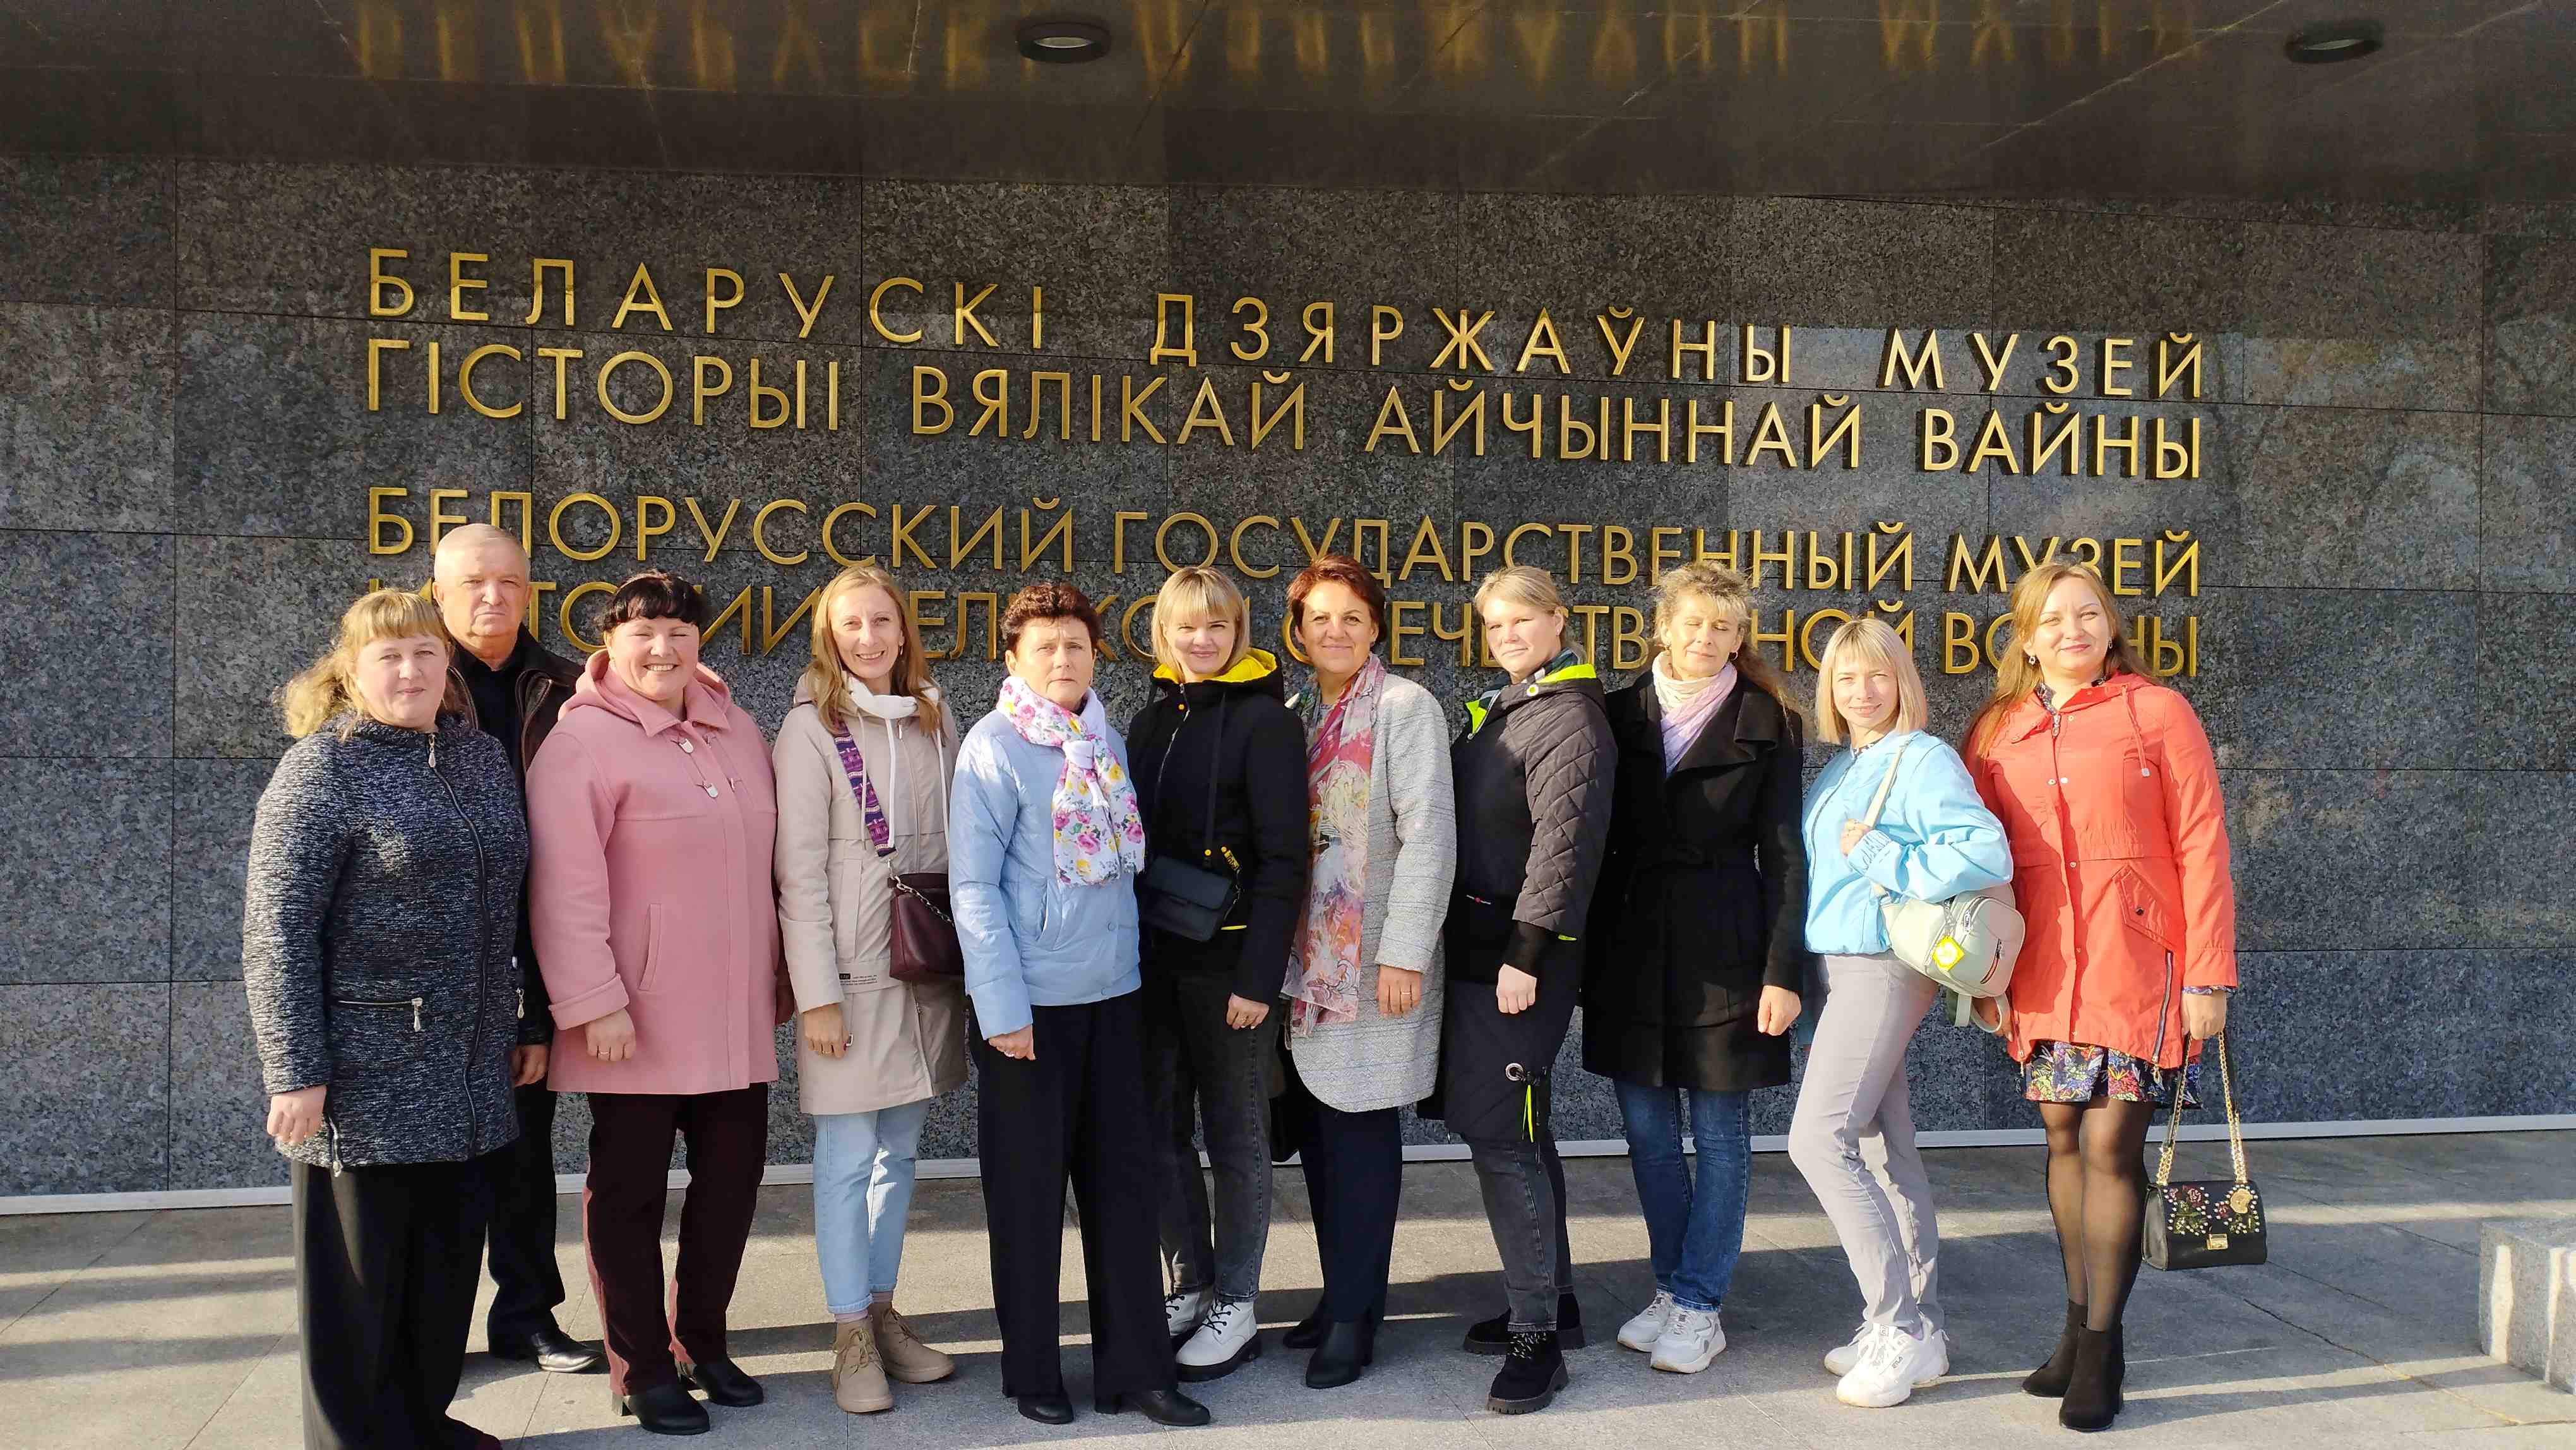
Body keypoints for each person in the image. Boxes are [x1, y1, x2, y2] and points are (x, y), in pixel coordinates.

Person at [242, 589, 534, 1450]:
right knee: (359, 1287)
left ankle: (420, 1423)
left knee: (443, 1268)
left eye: (423, 653)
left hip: (469, 1069)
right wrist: (296, 1070)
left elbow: (510, 908)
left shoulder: (479, 758)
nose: (409, 670)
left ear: (448, 665)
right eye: (388, 656)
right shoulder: (321, 770)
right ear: (351, 671)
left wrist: (525, 1024)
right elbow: (276, 929)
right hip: (364, 1077)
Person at [1964, 561, 2238, 1433]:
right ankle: (2075, 1329)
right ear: (2025, 637)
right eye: (2051, 620)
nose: (2071, 631)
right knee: (2062, 1140)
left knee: (2111, 1143)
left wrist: (2208, 975)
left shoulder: (2157, 710)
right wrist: (1983, 977)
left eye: (2087, 615)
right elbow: (1978, 860)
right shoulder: (1997, 730)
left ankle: (2103, 1348)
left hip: (2138, 962)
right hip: (2045, 965)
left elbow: (2203, 841)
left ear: (2111, 626)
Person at [526, 571, 784, 1437]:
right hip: (631, 1020)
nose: (662, 648)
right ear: (610, 642)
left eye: (679, 632)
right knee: (629, 1196)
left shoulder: (736, 727)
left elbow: (766, 866)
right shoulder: (580, 743)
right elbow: (564, 887)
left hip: (735, 1011)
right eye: (643, 633)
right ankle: (639, 1368)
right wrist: (593, 1001)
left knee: (730, 1185)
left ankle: (701, 1342)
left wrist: (782, 971)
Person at [950, 582, 1211, 1430]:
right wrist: (1002, 1008)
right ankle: (1034, 1371)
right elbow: (973, 889)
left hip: (1114, 996)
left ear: (1095, 654)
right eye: (1045, 646)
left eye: (1076, 644)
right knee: (1028, 1199)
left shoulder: (1104, 737)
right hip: (1030, 1009)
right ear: (1014, 658)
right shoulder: (993, 747)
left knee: (1123, 1194)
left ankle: (1136, 1371)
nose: (1063, 659)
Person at [1583, 562, 1809, 1378]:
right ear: (1663, 627)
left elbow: (1785, 856)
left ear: (1740, 636)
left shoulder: (1769, 721)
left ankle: (1700, 1301)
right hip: (1630, 946)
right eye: (1693, 622)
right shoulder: (1615, 715)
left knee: (1719, 1136)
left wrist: (1783, 973)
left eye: (1723, 626)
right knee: (1647, 1133)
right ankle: (1672, 1286)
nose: (1706, 638)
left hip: (1728, 949)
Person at [1789, 618, 2010, 1408]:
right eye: (1846, 677)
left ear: (1903, 681)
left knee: (1818, 1138)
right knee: (1886, 1148)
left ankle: (1898, 1326)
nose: (1862, 691)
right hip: (1839, 967)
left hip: (1881, 964)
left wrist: (1884, 854)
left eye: (1877, 674)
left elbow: (1986, 850)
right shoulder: (1845, 764)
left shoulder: (1921, 757)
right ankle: (1926, 1327)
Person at [772, 565, 969, 1415]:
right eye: (850, 623)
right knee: (848, 1159)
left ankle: (884, 1315)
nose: (868, 637)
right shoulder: (810, 729)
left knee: (900, 1154)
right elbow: (799, 875)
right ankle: (849, 1332)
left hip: (924, 971)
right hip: (851, 981)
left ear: (903, 630)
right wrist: (817, 994)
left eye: (882, 621)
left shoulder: (934, 715)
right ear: (828, 635)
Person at [1433, 563, 1616, 1416]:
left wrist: (1527, 955)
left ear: (1558, 620)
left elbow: (1562, 851)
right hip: (1485, 951)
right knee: (1520, 1135)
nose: (1507, 635)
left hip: (1518, 962)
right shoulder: (1515, 707)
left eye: (1521, 620)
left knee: (1505, 1138)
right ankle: (1556, 1302)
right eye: (1494, 624)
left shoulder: (1570, 717)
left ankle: (1537, 1340)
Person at [1275, 556, 1456, 1389]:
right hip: (1310, 969)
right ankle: (1343, 1293)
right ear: (1298, 631)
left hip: (1375, 962)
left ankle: (1356, 1318)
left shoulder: (1404, 707)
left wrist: (1404, 952)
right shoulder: (1301, 712)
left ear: (1376, 626)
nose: (1336, 630)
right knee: (1320, 1136)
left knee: (1359, 1135)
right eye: (1320, 617)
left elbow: (1429, 837)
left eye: (1352, 616)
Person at [1126, 566, 1310, 1382]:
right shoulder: (1149, 720)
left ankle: (1238, 1301)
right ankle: (1190, 1284)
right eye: (1186, 627)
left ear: (1239, 632)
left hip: (1230, 967)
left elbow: (1285, 859)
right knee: (1161, 1134)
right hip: (1153, 965)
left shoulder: (1267, 723)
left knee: (1238, 1139)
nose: (1202, 640)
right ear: (1163, 633)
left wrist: (1259, 979)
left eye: (1217, 626)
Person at [428, 522, 600, 1376]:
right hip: (434, 957)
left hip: (536, 939)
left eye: (508, 581)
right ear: (438, 593)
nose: (491, 597)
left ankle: (527, 1314)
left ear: (530, 590)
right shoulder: (413, 679)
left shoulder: (571, 689)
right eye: (472, 583)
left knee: (525, 1150)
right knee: (433, 1158)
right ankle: (429, 1331)